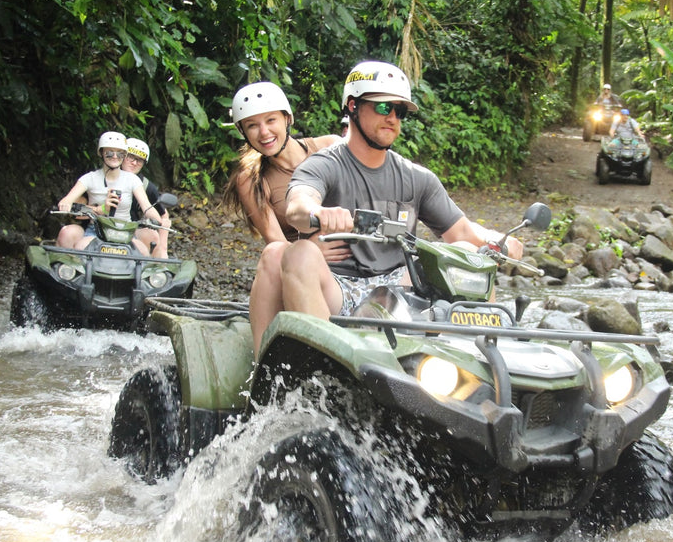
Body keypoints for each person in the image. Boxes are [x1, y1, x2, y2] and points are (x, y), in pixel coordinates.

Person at [248, 60, 524, 355]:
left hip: (400, 289)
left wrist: (498, 240)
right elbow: (298, 205)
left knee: (469, 254)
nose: (392, 117)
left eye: (400, 111)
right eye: (383, 107)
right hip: (338, 288)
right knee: (298, 253)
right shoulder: (323, 164)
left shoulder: (417, 178)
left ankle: (485, 361)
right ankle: (320, 366)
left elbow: (463, 233)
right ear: (353, 106)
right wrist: (319, 213)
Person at [220, 81, 342, 245]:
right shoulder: (250, 179)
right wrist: (313, 250)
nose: (264, 132)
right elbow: (276, 242)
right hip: (300, 257)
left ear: (287, 118)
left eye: (271, 120)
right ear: (243, 132)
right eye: (252, 125)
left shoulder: (330, 146)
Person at [55, 131, 164, 256]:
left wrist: (157, 220)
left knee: (142, 252)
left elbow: (146, 206)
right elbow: (67, 201)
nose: (115, 156)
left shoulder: (133, 180)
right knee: (82, 247)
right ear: (101, 153)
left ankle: (158, 267)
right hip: (96, 231)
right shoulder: (89, 178)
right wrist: (101, 209)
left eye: (120, 153)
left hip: (125, 231)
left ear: (124, 155)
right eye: (110, 152)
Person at [121, 137, 171, 258]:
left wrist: (163, 248)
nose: (134, 163)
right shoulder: (104, 176)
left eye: (139, 160)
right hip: (102, 227)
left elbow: (164, 215)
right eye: (131, 157)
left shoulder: (146, 186)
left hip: (132, 229)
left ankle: (153, 264)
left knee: (152, 236)